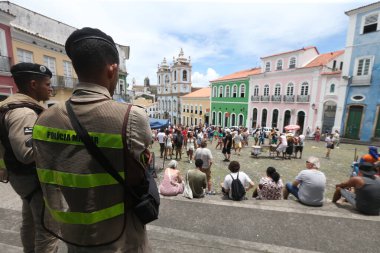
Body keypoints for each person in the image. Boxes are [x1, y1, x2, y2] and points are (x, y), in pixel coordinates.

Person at [32, 28, 152, 251]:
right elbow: (143, 166)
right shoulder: (131, 117)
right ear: (112, 69)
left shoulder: (44, 120)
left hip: (73, 233)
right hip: (121, 236)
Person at [0, 63, 58, 252]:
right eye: (47, 84)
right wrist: (59, 144)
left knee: (30, 222)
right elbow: (26, 153)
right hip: (34, 179)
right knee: (48, 231)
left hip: (22, 178)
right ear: (33, 84)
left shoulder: (9, 106)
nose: (51, 88)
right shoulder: (24, 112)